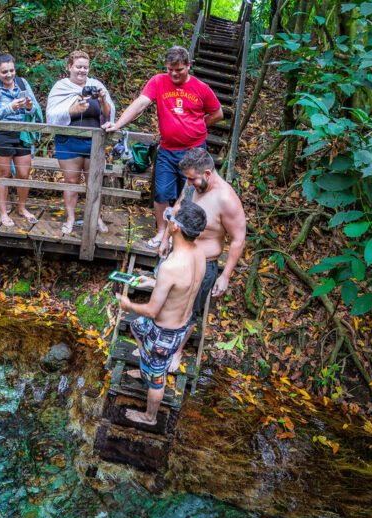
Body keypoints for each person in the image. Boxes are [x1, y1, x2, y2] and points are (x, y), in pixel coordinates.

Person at [102, 46, 222, 250]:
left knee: (190, 194)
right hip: (167, 149)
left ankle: (182, 237)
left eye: (179, 70)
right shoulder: (158, 81)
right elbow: (140, 104)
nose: (174, 74)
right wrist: (118, 124)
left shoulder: (201, 88)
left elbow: (217, 113)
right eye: (170, 69)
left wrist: (199, 125)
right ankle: (161, 232)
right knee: (161, 193)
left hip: (194, 151)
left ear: (188, 66)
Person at [116, 201, 207, 426]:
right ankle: (146, 368)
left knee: (157, 381)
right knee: (137, 326)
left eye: (170, 217)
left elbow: (151, 310)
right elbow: (181, 287)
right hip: (181, 324)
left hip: (163, 334)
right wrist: (153, 283)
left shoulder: (170, 266)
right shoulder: (199, 253)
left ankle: (150, 417)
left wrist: (128, 305)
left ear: (175, 227)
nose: (168, 219)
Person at [166, 147, 246, 370]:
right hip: (176, 255)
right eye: (187, 179)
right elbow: (176, 208)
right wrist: (165, 240)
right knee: (165, 300)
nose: (188, 183)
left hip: (202, 264)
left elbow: (238, 238)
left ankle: (176, 351)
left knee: (189, 310)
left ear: (208, 174)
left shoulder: (226, 199)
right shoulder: (192, 184)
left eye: (192, 179)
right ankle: (156, 343)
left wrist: (225, 275)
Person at [46, 51, 116, 235]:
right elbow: (52, 115)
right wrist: (74, 109)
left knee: (94, 181)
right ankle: (70, 218)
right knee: (71, 181)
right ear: (69, 66)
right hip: (68, 142)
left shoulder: (96, 85)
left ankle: (96, 216)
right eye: (78, 66)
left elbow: (108, 114)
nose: (82, 70)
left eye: (85, 67)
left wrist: (102, 100)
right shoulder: (60, 87)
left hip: (94, 142)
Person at [0, 52, 41, 227]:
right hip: (1, 134)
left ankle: (22, 208)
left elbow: (35, 108)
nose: (9, 75)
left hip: (22, 133)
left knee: (23, 174)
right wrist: (10, 107)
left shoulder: (22, 83)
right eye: (4, 72)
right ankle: (3, 212)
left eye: (11, 70)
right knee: (4, 174)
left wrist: (29, 107)